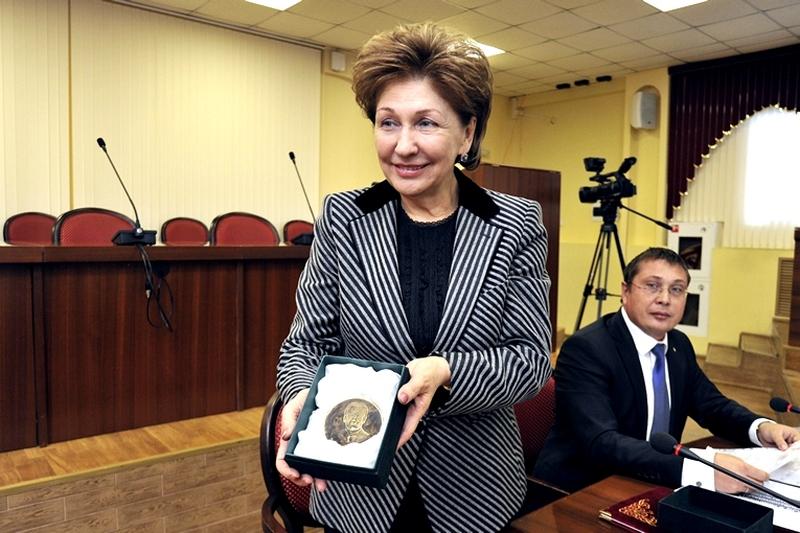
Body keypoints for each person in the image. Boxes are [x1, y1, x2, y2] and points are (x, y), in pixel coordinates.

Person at [275, 23, 553, 533]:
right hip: (355, 486)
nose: (403, 146)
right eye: (388, 123)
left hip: (474, 488)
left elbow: (530, 361)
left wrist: (446, 372)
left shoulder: (516, 223)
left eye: (426, 123)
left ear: (467, 133)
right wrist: (300, 399)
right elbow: (307, 344)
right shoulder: (343, 217)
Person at [534, 247, 800, 494]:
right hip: (579, 489)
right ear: (625, 291)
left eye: (676, 289)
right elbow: (602, 442)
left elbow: (712, 406)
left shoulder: (678, 344)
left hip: (650, 481)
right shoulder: (587, 349)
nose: (664, 299)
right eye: (652, 286)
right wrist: (699, 471)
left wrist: (761, 428)